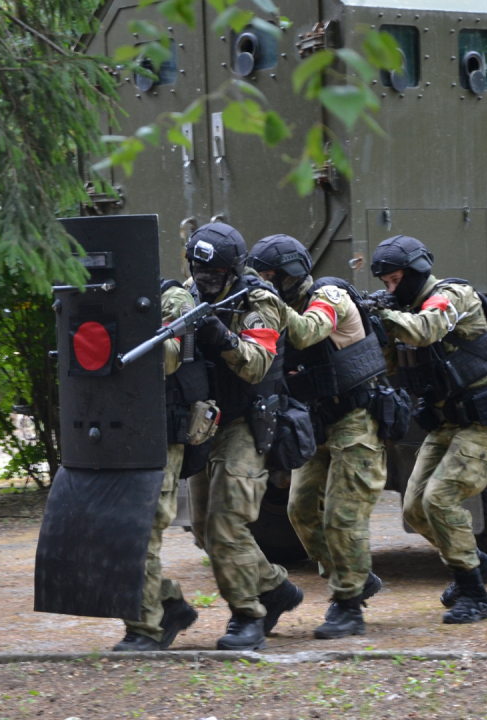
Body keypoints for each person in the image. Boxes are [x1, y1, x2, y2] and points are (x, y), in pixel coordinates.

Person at [369, 235, 487, 624]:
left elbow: (426, 330)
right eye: (385, 284)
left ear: (415, 272)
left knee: (440, 500)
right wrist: (376, 336)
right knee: (414, 508)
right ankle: (474, 564)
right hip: (448, 419)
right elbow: (393, 369)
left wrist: (386, 318)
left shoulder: (452, 296)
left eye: (395, 280)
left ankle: (475, 594)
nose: (391, 290)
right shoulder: (405, 310)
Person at [248, 234, 387, 639]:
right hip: (316, 421)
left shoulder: (329, 296)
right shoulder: (282, 304)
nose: (267, 284)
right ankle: (355, 578)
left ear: (291, 273)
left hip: (354, 419)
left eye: (271, 277)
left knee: (343, 516)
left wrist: (267, 303)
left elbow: (308, 333)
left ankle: (348, 604)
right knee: (302, 511)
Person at [184, 222, 304, 651]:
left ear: (233, 270)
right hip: (206, 419)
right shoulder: (190, 292)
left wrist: (221, 335)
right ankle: (275, 590)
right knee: (202, 527)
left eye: (214, 275)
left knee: (226, 522)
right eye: (198, 272)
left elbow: (256, 364)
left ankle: (247, 616)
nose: (204, 281)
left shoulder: (259, 301)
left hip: (248, 421)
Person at [112, 280, 202, 651]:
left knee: (142, 534)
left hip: (161, 437)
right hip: (125, 434)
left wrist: (127, 326)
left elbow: (168, 357)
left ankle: (144, 629)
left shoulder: (172, 297)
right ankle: (168, 603)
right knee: (122, 535)